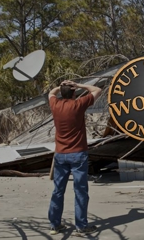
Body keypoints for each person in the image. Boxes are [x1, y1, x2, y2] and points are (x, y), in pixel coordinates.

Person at [47, 80, 102, 235]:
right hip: (78, 153)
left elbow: (51, 93)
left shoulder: (55, 105)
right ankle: (81, 226)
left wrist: (61, 87)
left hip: (60, 154)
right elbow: (97, 89)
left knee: (58, 190)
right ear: (73, 93)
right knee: (80, 191)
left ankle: (54, 225)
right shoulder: (78, 105)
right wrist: (79, 85)